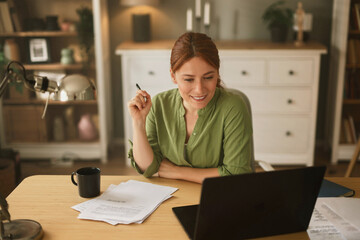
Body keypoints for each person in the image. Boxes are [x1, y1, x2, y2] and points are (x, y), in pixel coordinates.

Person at [127, 32, 253, 184]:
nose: (199, 89)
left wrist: (177, 172)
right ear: (173, 76)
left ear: (217, 73)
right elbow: (148, 167)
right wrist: (138, 123)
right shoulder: (159, 104)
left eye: (208, 77)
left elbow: (236, 175)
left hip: (218, 199)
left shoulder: (233, 107)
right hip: (174, 196)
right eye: (189, 79)